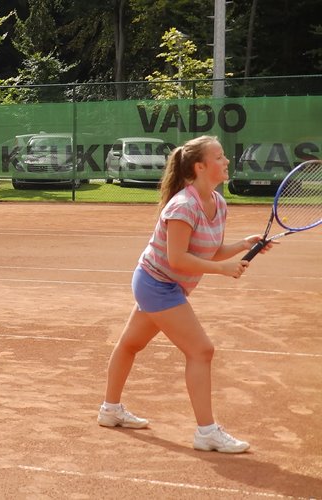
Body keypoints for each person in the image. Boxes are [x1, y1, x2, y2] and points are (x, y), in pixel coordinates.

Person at [98, 135, 272, 453]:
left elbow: (210, 249)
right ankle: (206, 432)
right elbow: (177, 258)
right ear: (200, 167)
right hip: (156, 283)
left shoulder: (218, 203)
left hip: (167, 284)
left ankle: (110, 410)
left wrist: (245, 245)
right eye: (219, 157)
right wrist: (222, 270)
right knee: (201, 350)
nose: (227, 161)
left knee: (130, 344)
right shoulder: (183, 206)